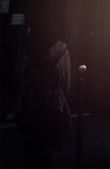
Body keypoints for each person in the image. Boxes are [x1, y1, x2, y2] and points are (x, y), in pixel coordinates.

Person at [15, 18, 71, 167]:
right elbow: (66, 84)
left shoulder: (26, 49)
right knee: (46, 152)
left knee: (30, 150)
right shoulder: (63, 52)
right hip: (53, 107)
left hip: (29, 108)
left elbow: (19, 79)